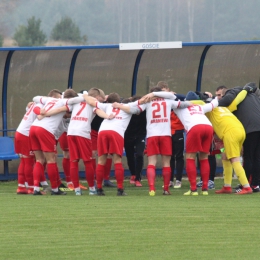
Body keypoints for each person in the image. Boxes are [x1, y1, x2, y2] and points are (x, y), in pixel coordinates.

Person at [40, 88, 113, 196]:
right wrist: (108, 116)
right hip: (83, 132)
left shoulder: (76, 101)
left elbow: (61, 109)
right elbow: (99, 111)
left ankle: (77, 189)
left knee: (73, 161)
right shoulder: (93, 103)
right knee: (88, 161)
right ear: (97, 97)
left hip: (71, 132)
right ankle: (92, 189)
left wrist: (45, 113)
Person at [118, 88, 191, 196]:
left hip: (152, 135)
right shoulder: (169, 101)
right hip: (165, 134)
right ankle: (166, 189)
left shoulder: (147, 102)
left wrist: (119, 106)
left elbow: (133, 110)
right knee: (166, 163)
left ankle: (152, 189)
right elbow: (186, 104)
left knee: (152, 163)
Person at [84, 92, 140, 196]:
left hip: (103, 131)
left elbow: (92, 102)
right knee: (117, 160)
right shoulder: (127, 107)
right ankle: (120, 189)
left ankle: (99, 189)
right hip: (116, 132)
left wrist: (84, 94)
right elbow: (140, 104)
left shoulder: (107, 106)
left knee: (101, 161)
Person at [30, 89, 83, 195]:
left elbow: (35, 98)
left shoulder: (50, 99)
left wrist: (42, 113)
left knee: (39, 159)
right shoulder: (66, 102)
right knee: (51, 160)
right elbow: (80, 99)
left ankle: (36, 188)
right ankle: (55, 189)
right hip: (46, 130)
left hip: (34, 127)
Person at [205, 87, 253, 194]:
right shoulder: (225, 108)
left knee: (234, 159)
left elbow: (194, 102)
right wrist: (245, 90)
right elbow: (237, 100)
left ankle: (246, 187)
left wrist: (201, 95)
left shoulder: (208, 110)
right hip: (240, 130)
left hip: (230, 134)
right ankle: (227, 186)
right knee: (225, 156)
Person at [218, 82, 260, 192]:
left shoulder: (232, 93)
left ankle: (245, 184)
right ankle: (256, 184)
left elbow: (227, 102)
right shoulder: (253, 96)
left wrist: (216, 104)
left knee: (248, 157)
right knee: (257, 157)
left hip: (250, 128)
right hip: (258, 127)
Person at [174, 91, 218, 195]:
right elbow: (214, 103)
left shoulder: (179, 107)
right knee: (204, 158)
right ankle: (205, 189)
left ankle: (193, 189)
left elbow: (172, 99)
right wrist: (213, 96)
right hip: (208, 127)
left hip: (194, 128)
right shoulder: (200, 107)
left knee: (190, 158)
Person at [196, 85, 228, 189]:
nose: (217, 97)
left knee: (213, 155)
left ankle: (211, 180)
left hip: (221, 133)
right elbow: (194, 95)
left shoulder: (226, 104)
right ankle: (203, 178)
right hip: (209, 131)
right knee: (203, 155)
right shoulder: (213, 103)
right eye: (216, 95)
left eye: (219, 95)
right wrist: (204, 94)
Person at [14, 101, 43, 194]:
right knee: (29, 162)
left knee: (23, 161)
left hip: (19, 132)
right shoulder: (40, 106)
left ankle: (21, 186)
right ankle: (31, 188)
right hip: (26, 135)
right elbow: (40, 114)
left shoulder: (35, 104)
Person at [123, 96, 146, 187]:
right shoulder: (128, 110)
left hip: (140, 135)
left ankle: (138, 178)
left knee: (140, 154)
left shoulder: (145, 111)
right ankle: (133, 174)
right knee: (130, 155)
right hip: (128, 135)